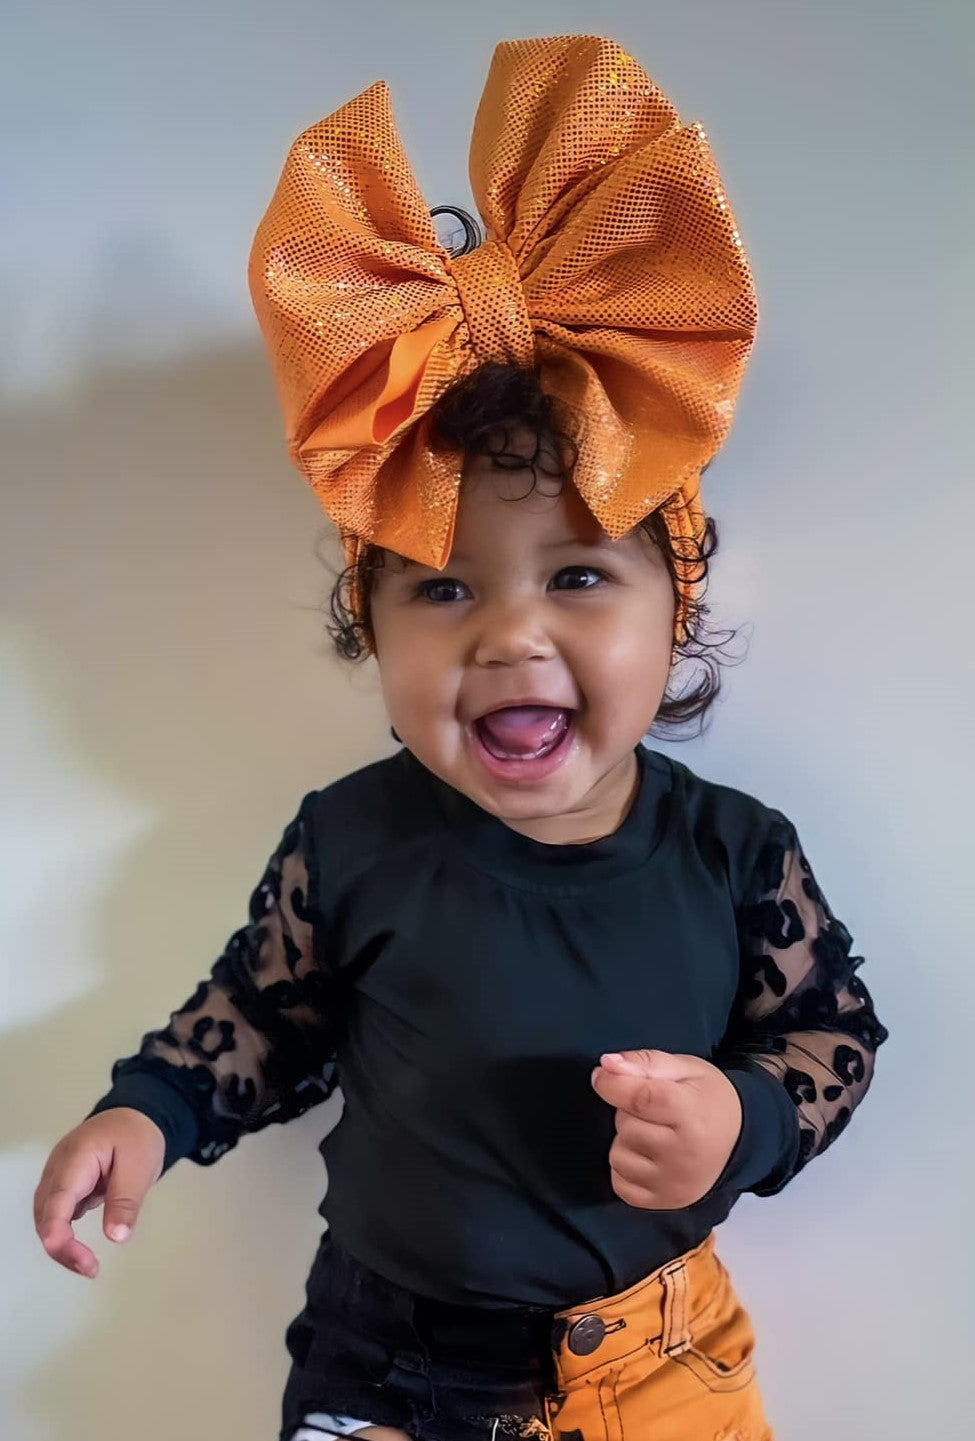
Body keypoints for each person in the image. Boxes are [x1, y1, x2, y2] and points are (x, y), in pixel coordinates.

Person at [32, 35, 888, 1441]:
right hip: (393, 1365)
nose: (509, 634)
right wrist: (148, 1115)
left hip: (663, 1359)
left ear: (675, 608)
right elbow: (261, 1017)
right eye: (442, 586)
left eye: (579, 575)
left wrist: (747, 1118)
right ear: (370, 627)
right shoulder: (352, 838)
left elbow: (829, 1033)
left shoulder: (736, 854)